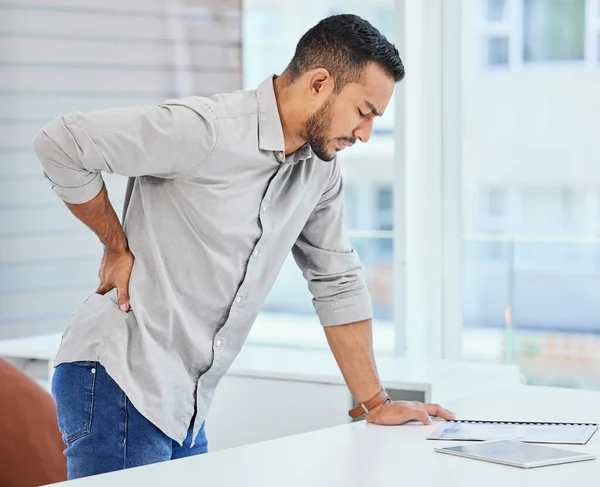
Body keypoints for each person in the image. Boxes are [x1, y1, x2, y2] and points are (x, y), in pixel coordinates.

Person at [33, 14, 455, 480]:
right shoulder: (207, 130)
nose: (365, 133)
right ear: (319, 83)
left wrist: (376, 403)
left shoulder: (318, 171)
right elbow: (62, 143)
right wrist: (114, 243)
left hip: (184, 403)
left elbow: (336, 281)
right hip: (120, 378)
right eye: (364, 111)